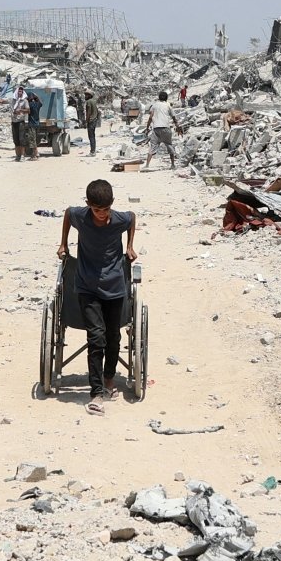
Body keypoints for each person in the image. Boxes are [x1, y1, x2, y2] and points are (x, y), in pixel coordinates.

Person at [58, 179, 137, 414]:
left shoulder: (120, 219)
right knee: (96, 337)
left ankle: (109, 378)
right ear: (88, 205)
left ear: (111, 205)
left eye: (105, 210)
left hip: (114, 286)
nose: (101, 215)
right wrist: (63, 244)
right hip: (86, 286)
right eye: (96, 210)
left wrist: (130, 246)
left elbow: (132, 217)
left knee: (113, 336)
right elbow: (67, 214)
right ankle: (96, 393)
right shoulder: (80, 216)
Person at [146, 94, 176, 168]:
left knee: (152, 146)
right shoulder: (168, 105)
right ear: (166, 98)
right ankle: (172, 165)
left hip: (156, 129)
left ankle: (147, 165)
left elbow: (150, 117)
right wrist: (178, 126)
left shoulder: (154, 105)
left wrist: (147, 127)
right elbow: (174, 117)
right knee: (169, 145)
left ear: (159, 98)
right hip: (166, 128)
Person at [10, 85, 35, 161]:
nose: (20, 92)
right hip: (14, 122)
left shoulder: (24, 101)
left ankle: (22, 155)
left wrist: (20, 110)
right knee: (16, 139)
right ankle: (17, 156)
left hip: (21, 122)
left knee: (22, 139)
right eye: (19, 91)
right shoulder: (13, 100)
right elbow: (2, 101)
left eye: (21, 91)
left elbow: (28, 110)